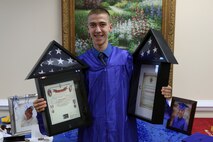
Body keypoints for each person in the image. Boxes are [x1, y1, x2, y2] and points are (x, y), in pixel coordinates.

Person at [33, 7, 172, 142]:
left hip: (122, 129)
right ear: (88, 29)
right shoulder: (80, 65)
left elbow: (142, 93)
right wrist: (44, 108)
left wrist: (162, 95)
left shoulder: (127, 59)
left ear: (110, 27)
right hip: (93, 131)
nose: (98, 30)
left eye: (102, 24)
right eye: (93, 25)